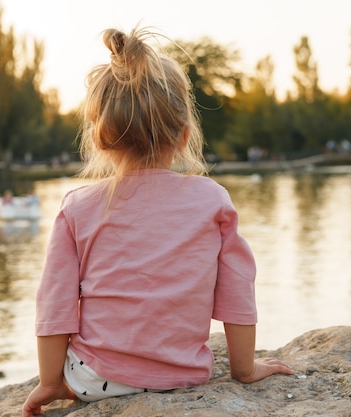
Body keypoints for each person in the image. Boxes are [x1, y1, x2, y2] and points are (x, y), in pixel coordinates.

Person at [22, 27, 293, 417]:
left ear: (100, 140)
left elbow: (55, 303)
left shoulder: (77, 207)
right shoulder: (212, 199)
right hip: (185, 375)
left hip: (90, 381)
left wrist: (50, 384)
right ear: (184, 135)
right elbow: (237, 290)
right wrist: (245, 369)